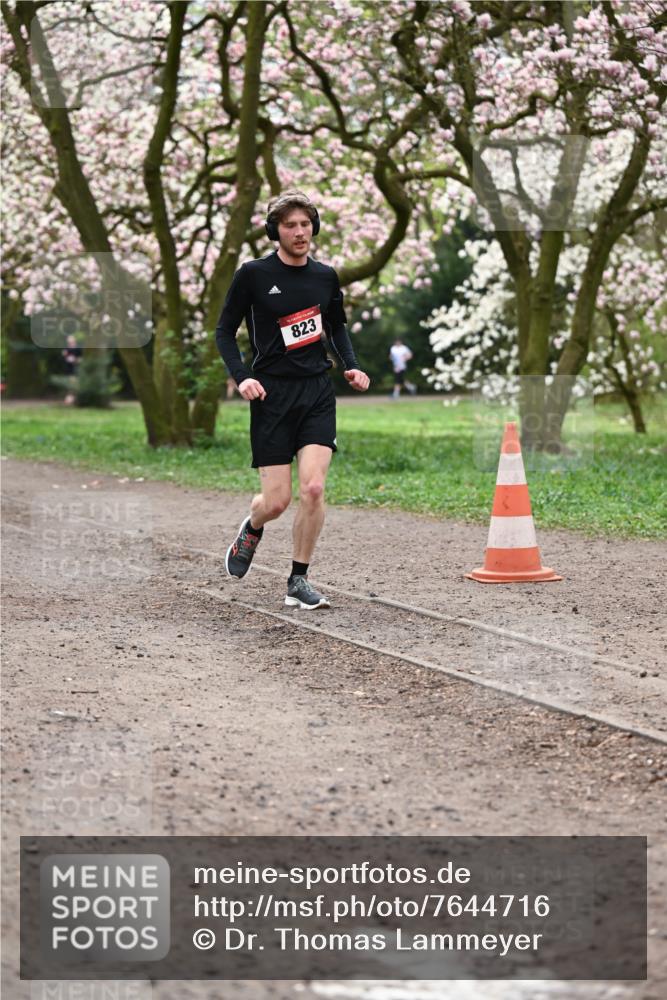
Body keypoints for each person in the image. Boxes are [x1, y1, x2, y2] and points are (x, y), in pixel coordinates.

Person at [215, 190, 370, 609]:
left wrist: (350, 364)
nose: (299, 232)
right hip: (271, 394)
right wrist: (242, 376)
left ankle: (298, 580)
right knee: (278, 501)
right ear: (274, 231)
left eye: (305, 224)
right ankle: (253, 522)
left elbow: (336, 325)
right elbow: (224, 332)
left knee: (315, 488)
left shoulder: (325, 276)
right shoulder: (252, 275)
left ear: (313, 227)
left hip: (317, 390)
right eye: (289, 225)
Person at [62, 334, 82, 405]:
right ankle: (70, 399)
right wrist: (65, 356)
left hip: (76, 369)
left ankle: (71, 399)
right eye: (69, 342)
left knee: (73, 384)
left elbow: (81, 359)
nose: (70, 343)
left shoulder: (78, 349)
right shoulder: (66, 349)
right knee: (70, 384)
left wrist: (75, 360)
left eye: (71, 341)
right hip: (68, 369)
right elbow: (64, 358)